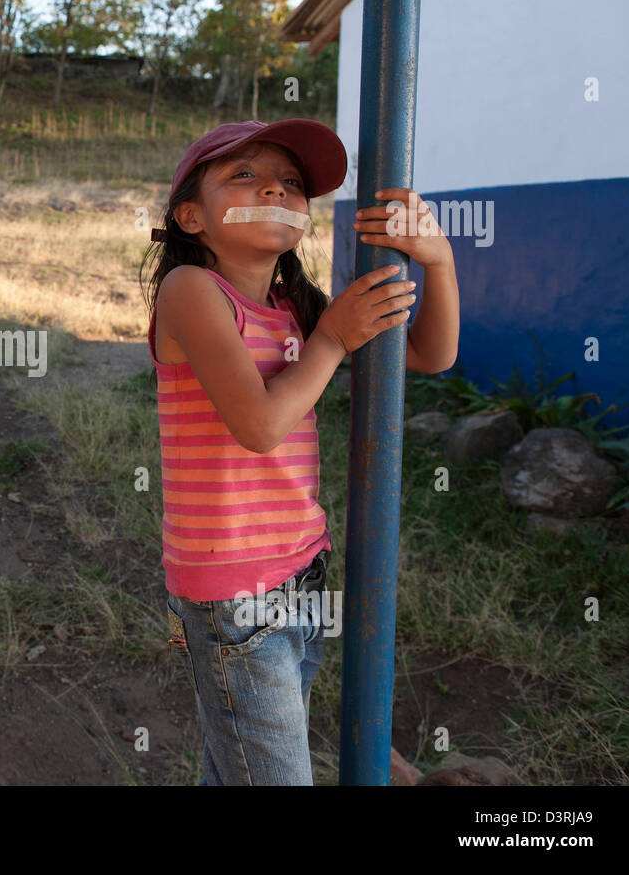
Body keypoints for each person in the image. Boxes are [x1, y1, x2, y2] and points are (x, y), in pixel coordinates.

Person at [141, 118, 459, 785]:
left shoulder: (295, 309)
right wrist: (333, 342)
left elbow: (430, 354)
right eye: (245, 176)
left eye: (290, 183)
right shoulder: (191, 292)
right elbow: (258, 427)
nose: (276, 191)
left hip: (300, 575)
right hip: (234, 593)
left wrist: (439, 261)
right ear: (191, 216)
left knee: (240, 772)